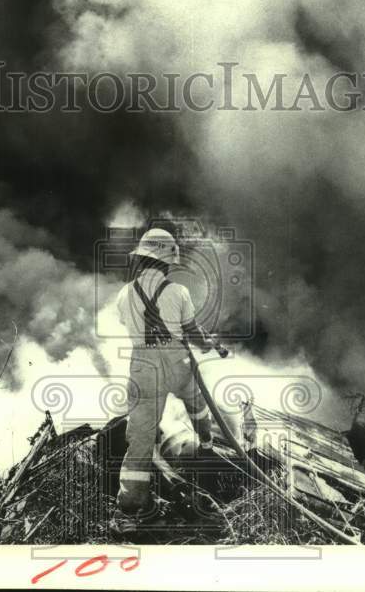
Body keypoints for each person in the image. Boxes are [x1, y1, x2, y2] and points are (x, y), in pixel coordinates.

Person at [110, 227, 217, 536]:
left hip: (143, 364)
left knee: (141, 440)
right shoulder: (178, 292)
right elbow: (193, 332)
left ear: (143, 259)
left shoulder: (124, 294)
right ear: (168, 261)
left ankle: (128, 512)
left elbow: (127, 322)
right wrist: (209, 345)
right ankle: (207, 446)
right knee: (197, 402)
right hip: (176, 360)